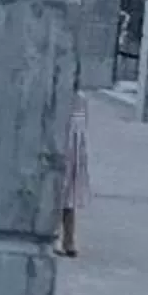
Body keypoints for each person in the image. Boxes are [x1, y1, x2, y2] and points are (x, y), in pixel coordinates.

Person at [58, 89, 91, 257]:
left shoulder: (80, 99)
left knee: (68, 197)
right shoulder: (56, 94)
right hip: (56, 149)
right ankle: (57, 237)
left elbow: (82, 134)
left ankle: (68, 239)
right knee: (54, 195)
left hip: (72, 154)